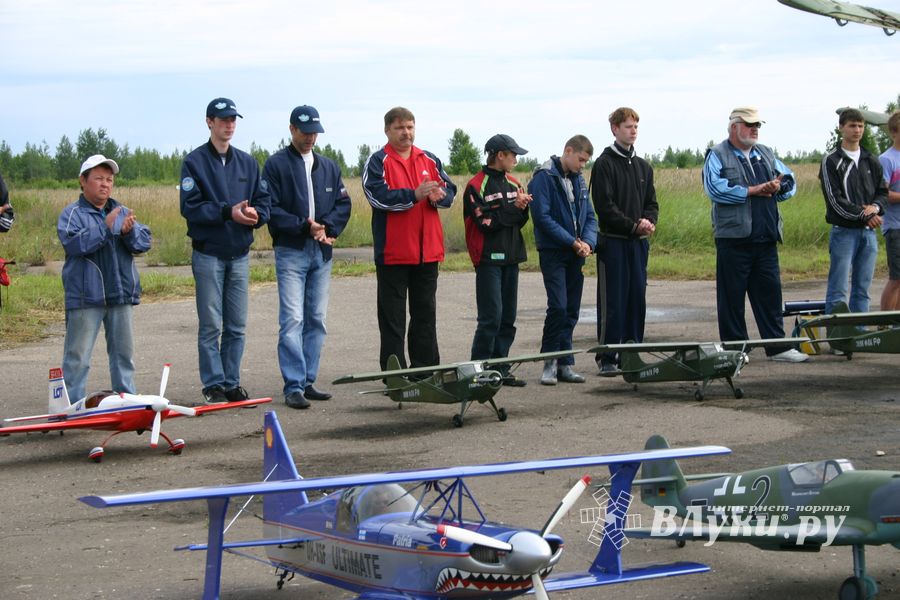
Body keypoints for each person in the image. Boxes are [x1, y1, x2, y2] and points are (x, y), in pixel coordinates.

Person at [180, 97, 271, 404]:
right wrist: (226, 212)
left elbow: (264, 201)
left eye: (233, 119)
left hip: (239, 254)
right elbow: (190, 207)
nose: (229, 124)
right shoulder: (194, 162)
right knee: (210, 324)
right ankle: (213, 383)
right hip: (208, 254)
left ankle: (231, 381)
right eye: (222, 120)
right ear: (209, 122)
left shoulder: (247, 162)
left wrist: (257, 216)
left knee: (236, 325)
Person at [263, 106, 352, 409]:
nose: (310, 137)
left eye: (314, 131)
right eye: (304, 131)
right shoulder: (275, 166)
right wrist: (304, 225)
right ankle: (293, 385)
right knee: (293, 319)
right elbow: (271, 209)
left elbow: (343, 203)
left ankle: (308, 380)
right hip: (291, 251)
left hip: (322, 252)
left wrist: (329, 227)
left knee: (316, 318)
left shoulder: (329, 166)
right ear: (292, 130)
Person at [703, 107, 807, 362]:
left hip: (766, 236)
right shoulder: (717, 155)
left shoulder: (766, 153)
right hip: (734, 239)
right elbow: (714, 189)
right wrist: (752, 190)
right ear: (733, 127)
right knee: (732, 298)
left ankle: (777, 347)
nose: (755, 129)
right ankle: (737, 349)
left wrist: (777, 187)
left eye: (757, 125)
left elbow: (790, 180)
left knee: (771, 294)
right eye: (749, 124)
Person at [362, 107, 456, 371]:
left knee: (425, 315)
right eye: (400, 128)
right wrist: (413, 196)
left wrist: (441, 197)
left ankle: (425, 370)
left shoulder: (429, 159)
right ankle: (395, 374)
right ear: (387, 130)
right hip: (394, 253)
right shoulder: (378, 161)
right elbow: (376, 195)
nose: (406, 132)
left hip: (428, 252)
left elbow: (450, 189)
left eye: (410, 127)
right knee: (393, 319)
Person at [57, 155, 152, 403]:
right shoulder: (72, 214)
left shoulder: (120, 210)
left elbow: (144, 242)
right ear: (83, 181)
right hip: (86, 297)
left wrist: (128, 232)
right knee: (77, 357)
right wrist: (106, 227)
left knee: (124, 355)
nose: (105, 184)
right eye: (98, 178)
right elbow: (74, 244)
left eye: (109, 179)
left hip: (120, 294)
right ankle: (69, 408)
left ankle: (127, 401)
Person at [591, 107, 658, 376]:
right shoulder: (604, 164)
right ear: (615, 129)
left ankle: (631, 354)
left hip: (638, 244)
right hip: (614, 243)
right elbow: (604, 207)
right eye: (628, 126)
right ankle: (607, 356)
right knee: (614, 301)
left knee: (636, 299)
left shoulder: (644, 166)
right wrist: (632, 225)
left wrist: (648, 222)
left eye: (636, 127)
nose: (633, 131)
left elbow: (651, 203)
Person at [528, 135, 598, 385]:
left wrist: (588, 243)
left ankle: (565, 363)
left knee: (571, 309)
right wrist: (571, 241)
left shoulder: (579, 180)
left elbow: (590, 216)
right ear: (568, 151)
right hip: (553, 252)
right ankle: (549, 361)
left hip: (576, 253)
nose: (583, 165)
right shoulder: (543, 178)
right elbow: (542, 218)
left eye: (586, 161)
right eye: (581, 160)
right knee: (558, 306)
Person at [463, 134, 531, 386]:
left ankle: (501, 368)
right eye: (513, 154)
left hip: (512, 257)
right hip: (488, 259)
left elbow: (519, 222)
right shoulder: (475, 185)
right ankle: (479, 371)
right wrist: (513, 210)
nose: (516, 159)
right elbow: (486, 223)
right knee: (491, 317)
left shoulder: (515, 183)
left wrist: (523, 208)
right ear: (500, 155)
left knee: (507, 318)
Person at [821, 108, 888, 314]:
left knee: (862, 289)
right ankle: (837, 338)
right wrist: (864, 214)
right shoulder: (831, 160)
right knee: (838, 290)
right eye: (852, 125)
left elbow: (882, 192)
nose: (857, 130)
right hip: (844, 232)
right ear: (841, 128)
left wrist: (875, 208)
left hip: (869, 234)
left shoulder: (871, 159)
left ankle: (859, 334)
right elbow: (835, 200)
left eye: (860, 126)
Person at [878, 111, 900, 311]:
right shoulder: (887, 159)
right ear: (894, 132)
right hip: (895, 227)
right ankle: (883, 323)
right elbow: (883, 194)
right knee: (896, 279)